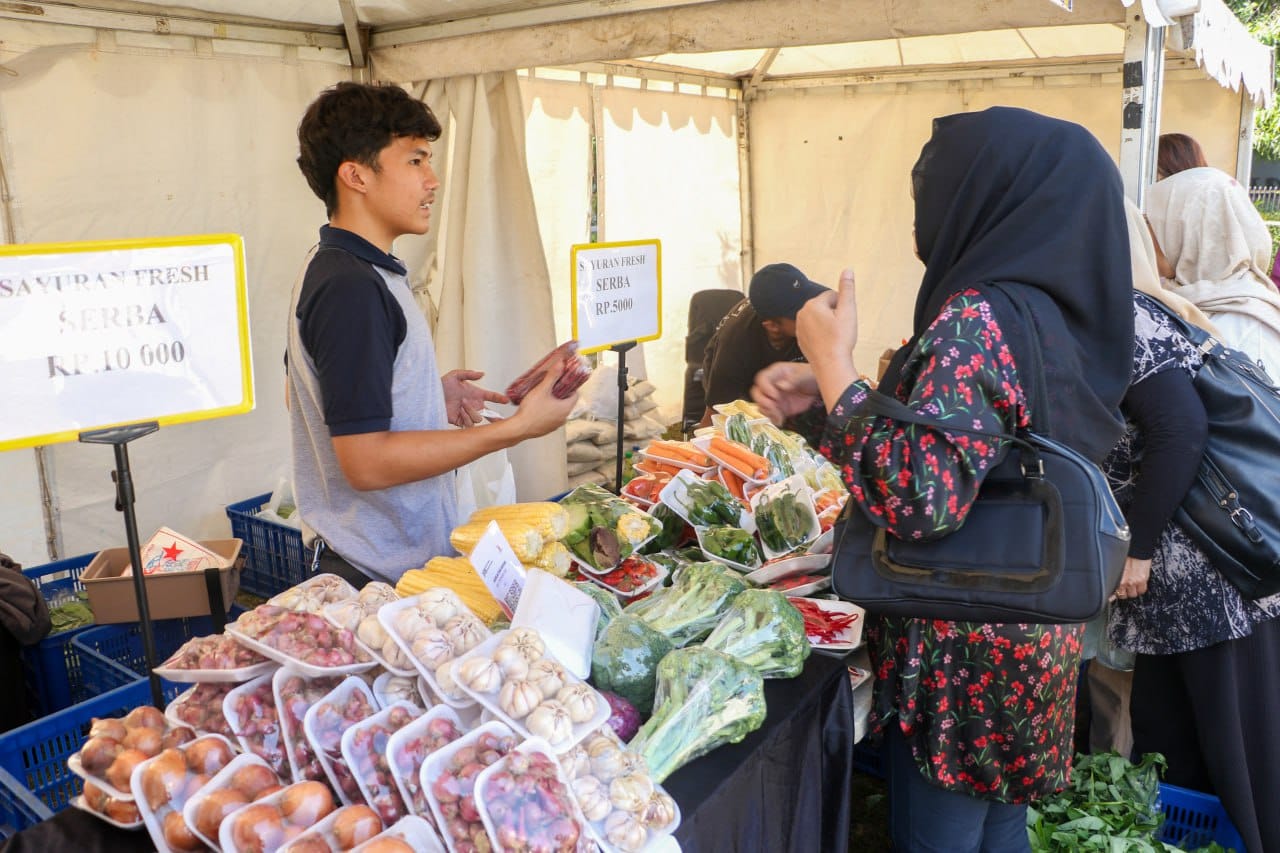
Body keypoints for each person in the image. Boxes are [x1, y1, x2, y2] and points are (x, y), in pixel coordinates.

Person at [753, 107, 1133, 852]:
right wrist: (836, 384)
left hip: (966, 645)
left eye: (934, 188)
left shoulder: (978, 314)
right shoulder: (1048, 311)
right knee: (1000, 828)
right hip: (1035, 631)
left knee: (945, 835)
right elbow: (972, 427)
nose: (924, 213)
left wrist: (834, 364)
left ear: (983, 194)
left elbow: (920, 495)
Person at [287, 82, 575, 588]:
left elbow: (306, 396)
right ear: (356, 175)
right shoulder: (350, 286)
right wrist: (515, 429)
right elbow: (366, 464)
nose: (433, 180)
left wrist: (420, 396)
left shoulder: (343, 267)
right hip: (372, 577)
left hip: (390, 565)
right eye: (415, 161)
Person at [1101, 204, 1280, 853]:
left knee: (1241, 767)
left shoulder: (1130, 315)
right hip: (1179, 600)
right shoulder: (1156, 310)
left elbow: (1180, 430)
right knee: (1173, 757)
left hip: (1213, 587)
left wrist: (1139, 550)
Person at [1146, 166, 1280, 376]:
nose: (1146, 234)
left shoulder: (1249, 327)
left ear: (1190, 234)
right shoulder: (1181, 300)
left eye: (1152, 223)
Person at [697, 262, 828, 426]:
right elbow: (714, 415)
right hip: (738, 377)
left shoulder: (810, 324)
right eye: (801, 312)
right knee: (738, 423)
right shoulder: (735, 345)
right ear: (773, 326)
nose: (812, 314)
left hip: (782, 375)